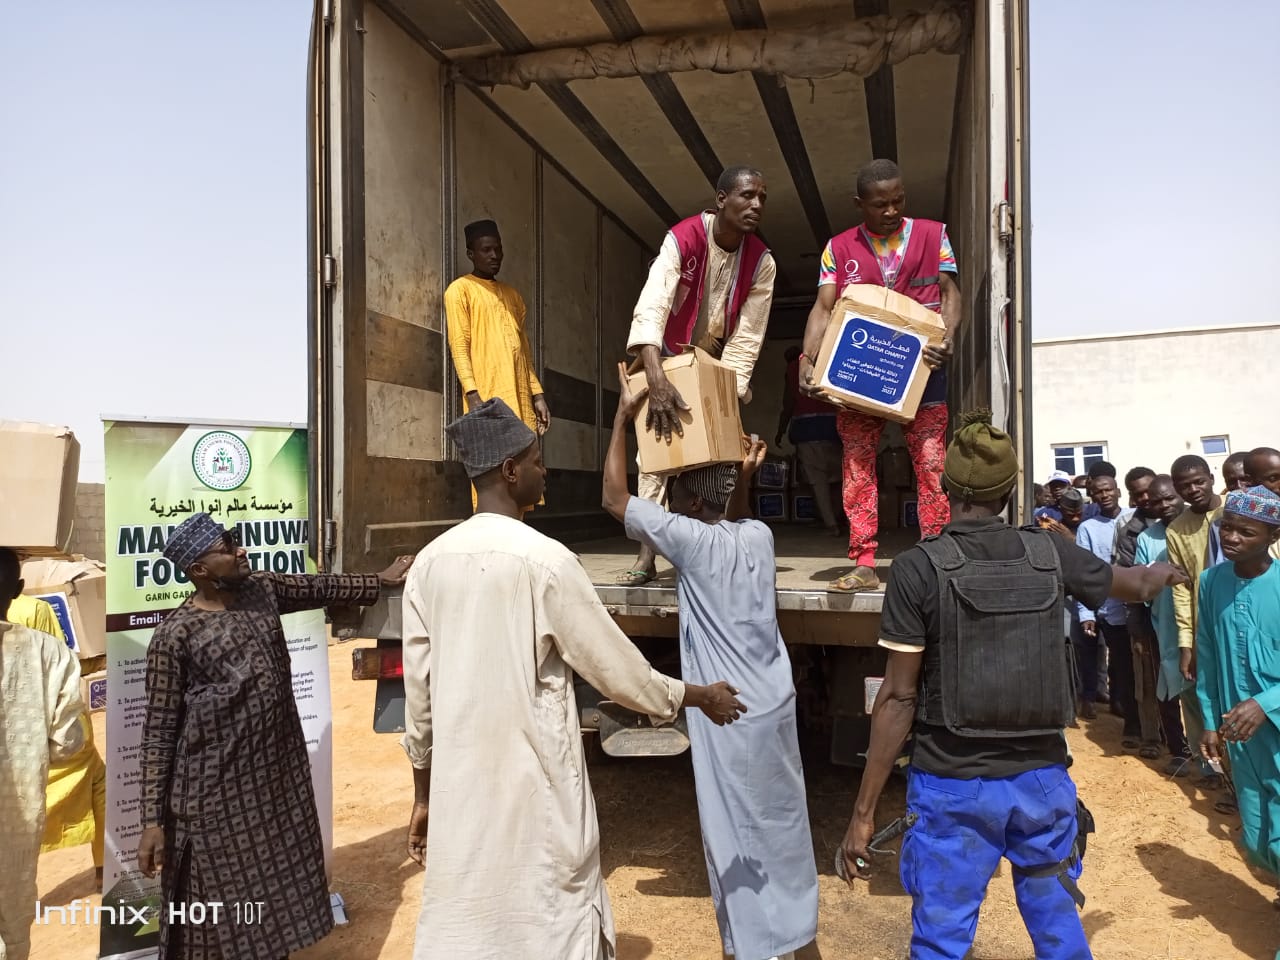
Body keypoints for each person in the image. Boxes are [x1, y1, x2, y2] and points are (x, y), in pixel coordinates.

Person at [400, 398, 745, 960]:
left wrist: (422, 793)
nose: (545, 472)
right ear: (510, 472)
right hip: (537, 784)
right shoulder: (547, 562)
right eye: (537, 462)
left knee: (468, 912)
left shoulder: (430, 564)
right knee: (548, 906)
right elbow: (615, 668)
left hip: (461, 789)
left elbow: (420, 702)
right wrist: (691, 696)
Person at [835, 412, 1187, 960]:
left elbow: (899, 698)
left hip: (952, 783)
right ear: (1009, 489)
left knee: (942, 935)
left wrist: (862, 815)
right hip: (1042, 782)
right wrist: (1182, 569)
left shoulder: (916, 568)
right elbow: (1140, 583)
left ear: (947, 487)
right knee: (1058, 928)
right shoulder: (1050, 550)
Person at [606, 366, 819, 960]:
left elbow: (613, 499)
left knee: (736, 836)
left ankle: (749, 949)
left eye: (676, 491)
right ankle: (800, 938)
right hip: (772, 707)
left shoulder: (690, 542)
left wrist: (624, 416)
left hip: (729, 713)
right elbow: (738, 517)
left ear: (689, 500)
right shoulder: (758, 539)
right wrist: (740, 481)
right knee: (782, 827)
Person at [137, 513, 415, 960]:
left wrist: (378, 581)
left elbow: (318, 587)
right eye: (228, 547)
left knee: (271, 903)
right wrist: (152, 821)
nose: (241, 550)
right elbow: (158, 730)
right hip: (213, 803)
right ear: (199, 571)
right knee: (217, 919)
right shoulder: (176, 636)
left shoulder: (261, 590)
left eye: (236, 541)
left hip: (272, 788)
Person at [800, 158, 960, 593]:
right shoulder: (838, 247)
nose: (890, 211)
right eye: (879, 204)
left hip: (922, 370)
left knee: (930, 464)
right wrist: (807, 358)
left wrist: (947, 337)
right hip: (858, 374)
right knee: (857, 465)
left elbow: (950, 293)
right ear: (859, 204)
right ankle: (864, 561)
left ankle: (935, 556)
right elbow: (823, 306)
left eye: (897, 201)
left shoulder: (933, 235)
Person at [618, 166, 776, 586]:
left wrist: (729, 393)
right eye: (746, 196)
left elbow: (749, 335)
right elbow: (652, 304)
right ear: (722, 199)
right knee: (655, 460)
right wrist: (655, 376)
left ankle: (706, 551)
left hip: (715, 364)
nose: (756, 205)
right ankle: (647, 553)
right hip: (665, 359)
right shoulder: (684, 237)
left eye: (762, 197)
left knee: (715, 461)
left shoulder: (762, 261)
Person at [0, 547, 85, 960]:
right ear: (18, 590)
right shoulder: (51, 654)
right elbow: (68, 745)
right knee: (12, 924)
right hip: (15, 821)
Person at [1196, 485, 1280, 901]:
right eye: (1227, 528)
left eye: (1245, 532)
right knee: (1257, 832)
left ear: (1272, 537)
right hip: (1238, 733)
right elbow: (1208, 655)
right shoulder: (1211, 582)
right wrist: (1210, 721)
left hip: (1276, 725)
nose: (1231, 538)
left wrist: (1264, 704)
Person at [444, 218, 551, 509]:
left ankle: (517, 539)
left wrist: (537, 395)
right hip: (487, 399)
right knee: (494, 472)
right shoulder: (459, 291)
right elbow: (460, 345)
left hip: (520, 400)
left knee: (524, 469)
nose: (494, 256)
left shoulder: (513, 297)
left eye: (498, 249)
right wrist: (472, 394)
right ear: (471, 254)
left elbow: (523, 352)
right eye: (486, 250)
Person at [7, 593, 108, 883]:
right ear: (18, 584)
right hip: (41, 725)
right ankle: (105, 872)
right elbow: (57, 667)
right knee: (98, 784)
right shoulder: (34, 609)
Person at [1132, 476, 1197, 775]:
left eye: (1169, 498)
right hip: (1166, 624)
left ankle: (1212, 757)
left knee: (1205, 688)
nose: (1164, 505)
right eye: (1157, 501)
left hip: (1201, 620)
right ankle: (1179, 749)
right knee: (1170, 686)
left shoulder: (1196, 528)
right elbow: (1141, 586)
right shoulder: (1147, 539)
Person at [1076, 475, 1138, 740]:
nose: (1104, 495)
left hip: (1134, 607)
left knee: (1133, 666)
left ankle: (1133, 714)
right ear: (1093, 496)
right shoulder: (1087, 528)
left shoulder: (1135, 518)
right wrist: (1086, 612)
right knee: (1105, 660)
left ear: (1118, 491)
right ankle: (1100, 702)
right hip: (1104, 608)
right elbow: (1083, 573)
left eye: (1108, 490)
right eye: (1098, 492)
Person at [776, 345, 842, 536]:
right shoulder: (828, 359)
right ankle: (838, 519)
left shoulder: (793, 368)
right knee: (838, 477)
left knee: (818, 481)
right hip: (834, 425)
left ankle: (831, 525)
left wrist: (781, 430)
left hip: (807, 429)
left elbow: (788, 402)